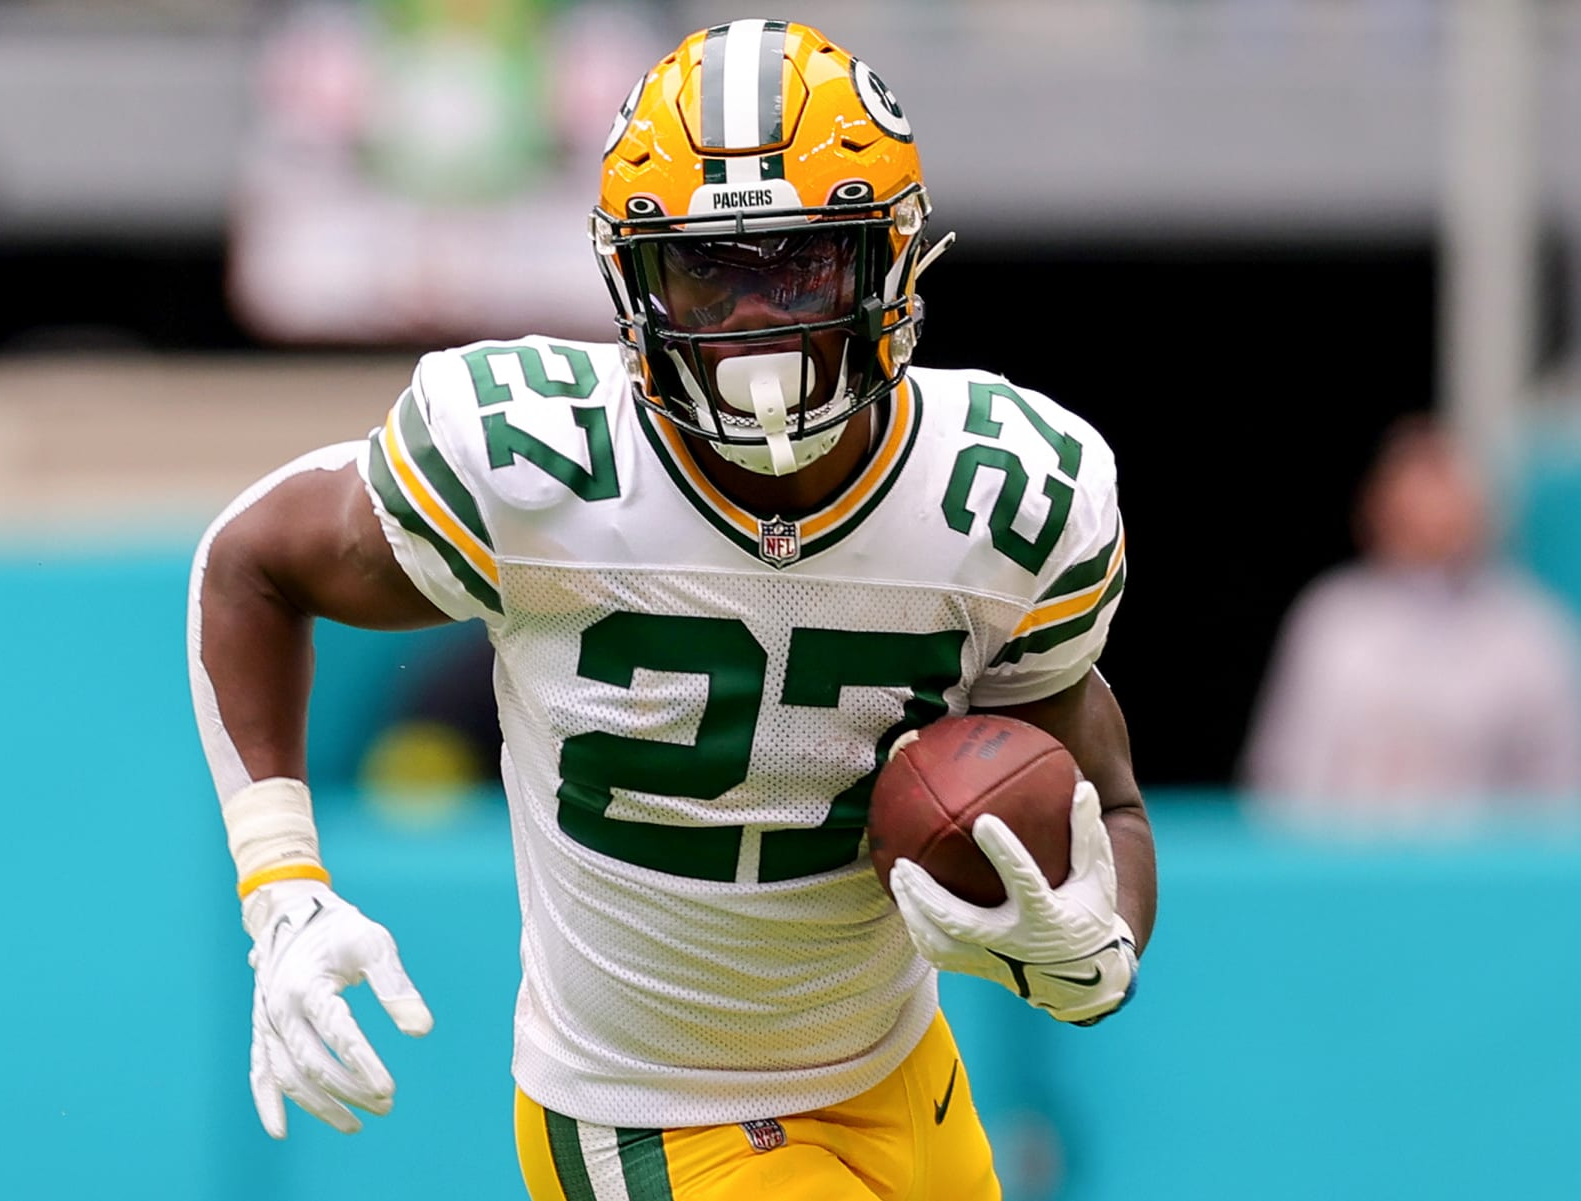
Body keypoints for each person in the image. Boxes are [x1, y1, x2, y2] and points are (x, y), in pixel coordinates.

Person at [187, 20, 1157, 1200]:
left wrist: (1100, 943)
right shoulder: (533, 463)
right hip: (650, 1112)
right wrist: (279, 890)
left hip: (905, 1071)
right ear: (632, 279)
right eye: (708, 270)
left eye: (797, 264)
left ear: (889, 261)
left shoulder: (1004, 494)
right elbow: (251, 563)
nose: (754, 321)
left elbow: (1097, 785)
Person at [1240, 413, 1581, 819]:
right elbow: (1283, 774)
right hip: (1347, 866)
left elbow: (1561, 789)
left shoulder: (1532, 630)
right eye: (1414, 490)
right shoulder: (1332, 619)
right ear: (1377, 508)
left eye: (1445, 486)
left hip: (1486, 871)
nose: (1432, 511)